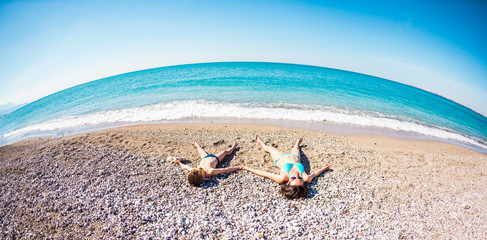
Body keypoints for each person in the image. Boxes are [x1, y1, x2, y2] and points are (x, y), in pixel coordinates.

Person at [240, 135, 330, 199]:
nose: (297, 174)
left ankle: (260, 142)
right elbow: (314, 174)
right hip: (295, 157)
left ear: (288, 183)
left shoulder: (282, 178)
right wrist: (324, 168)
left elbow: (264, 173)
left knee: (270, 148)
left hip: (279, 158)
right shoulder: (306, 178)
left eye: (294, 177)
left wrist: (246, 168)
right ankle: (297, 143)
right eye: (300, 177)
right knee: (296, 148)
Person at [174, 140, 240, 186]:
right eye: (200, 170)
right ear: (203, 178)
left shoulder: (195, 171)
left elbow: (186, 167)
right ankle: (233, 147)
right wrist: (238, 167)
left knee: (200, 150)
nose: (199, 168)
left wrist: (179, 163)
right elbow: (225, 170)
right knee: (225, 152)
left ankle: (196, 144)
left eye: (197, 169)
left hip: (205, 157)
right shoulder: (210, 171)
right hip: (215, 158)